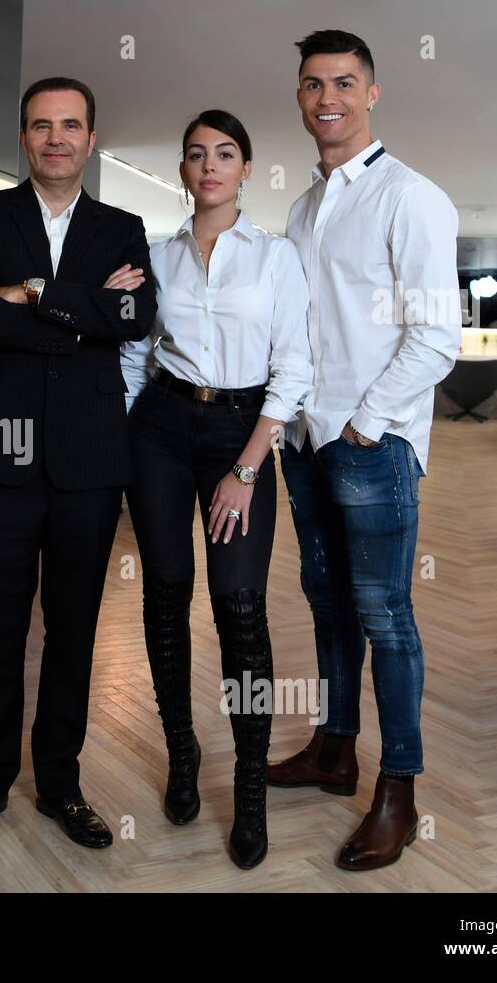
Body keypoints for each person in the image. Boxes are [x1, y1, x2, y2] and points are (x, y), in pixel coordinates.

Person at [0, 77, 157, 849]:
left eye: (70, 125)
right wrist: (76, 308)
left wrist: (28, 295)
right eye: (41, 125)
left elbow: (135, 319)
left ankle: (60, 783)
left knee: (73, 631)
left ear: (91, 138)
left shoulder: (123, 226)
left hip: (88, 464)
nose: (56, 138)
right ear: (24, 138)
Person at [268, 30, 461, 871]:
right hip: (308, 443)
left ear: (372, 93)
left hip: (368, 446)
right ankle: (336, 749)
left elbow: (437, 337)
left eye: (344, 82)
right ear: (301, 95)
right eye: (313, 84)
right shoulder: (304, 208)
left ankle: (401, 791)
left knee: (387, 617)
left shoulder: (412, 198)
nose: (327, 98)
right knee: (329, 605)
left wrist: (367, 422)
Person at [120, 110, 311, 868]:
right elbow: (136, 351)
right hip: (162, 428)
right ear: (183, 170)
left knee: (239, 608)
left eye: (224, 154)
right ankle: (181, 752)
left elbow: (292, 368)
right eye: (196, 154)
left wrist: (246, 468)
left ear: (246, 168)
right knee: (165, 593)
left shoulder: (277, 259)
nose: (209, 166)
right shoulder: (156, 257)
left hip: (243, 433)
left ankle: (251, 791)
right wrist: (128, 422)